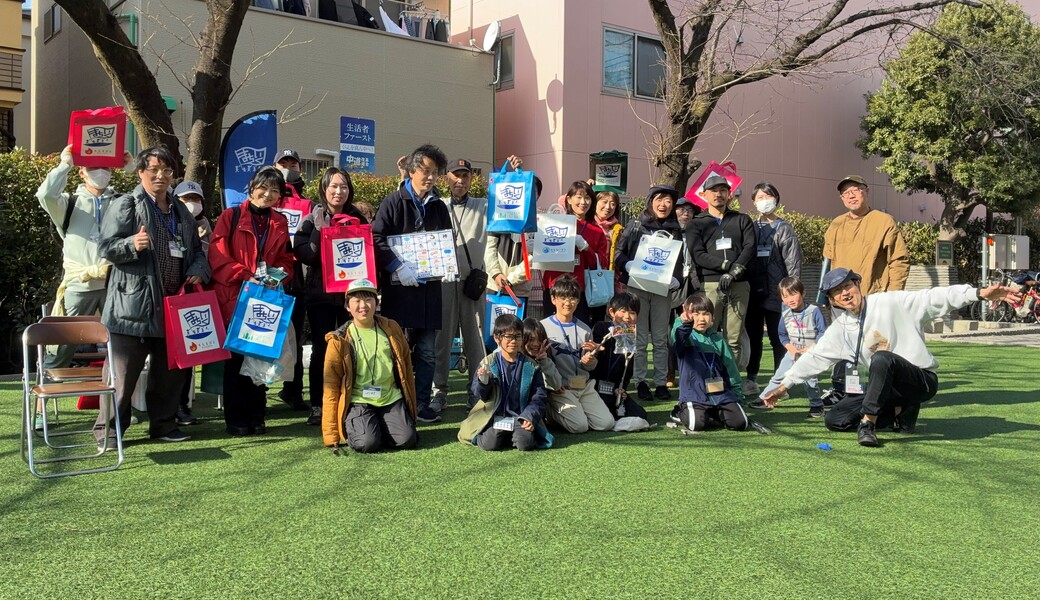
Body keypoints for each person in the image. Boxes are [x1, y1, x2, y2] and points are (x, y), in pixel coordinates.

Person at [760, 268, 1021, 446]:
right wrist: (784, 386)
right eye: (837, 292)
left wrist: (977, 293)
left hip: (919, 380)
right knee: (835, 420)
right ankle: (899, 412)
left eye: (848, 286)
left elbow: (934, 297)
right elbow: (815, 357)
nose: (845, 294)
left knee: (882, 358)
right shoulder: (841, 328)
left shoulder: (891, 302)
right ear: (832, 300)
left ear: (857, 284)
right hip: (884, 389)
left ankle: (869, 424)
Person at [94, 146, 211, 447]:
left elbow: (198, 250)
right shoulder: (126, 204)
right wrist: (132, 244)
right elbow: (105, 247)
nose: (161, 176)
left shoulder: (180, 210)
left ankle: (163, 425)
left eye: (167, 170)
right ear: (141, 172)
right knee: (122, 376)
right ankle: (109, 431)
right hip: (132, 306)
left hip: (174, 304)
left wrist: (199, 269)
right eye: (154, 170)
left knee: (169, 373)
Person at [208, 168, 295, 436]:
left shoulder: (279, 221)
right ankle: (236, 419)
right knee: (236, 360)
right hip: (236, 297)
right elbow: (218, 256)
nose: (267, 194)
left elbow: (287, 258)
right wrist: (247, 276)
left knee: (261, 356)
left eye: (274, 191)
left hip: (266, 297)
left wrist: (277, 276)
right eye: (263, 188)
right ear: (252, 186)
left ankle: (257, 415)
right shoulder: (230, 216)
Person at [371, 144, 452, 424]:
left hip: (430, 291)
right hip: (400, 292)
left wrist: (447, 266)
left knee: (427, 352)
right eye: (425, 171)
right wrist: (396, 266)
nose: (430, 177)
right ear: (412, 170)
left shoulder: (439, 206)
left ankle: (421, 404)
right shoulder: (393, 201)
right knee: (397, 350)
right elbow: (376, 238)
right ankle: (397, 403)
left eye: (435, 172)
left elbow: (446, 241)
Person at [294, 167, 368, 425]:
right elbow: (306, 254)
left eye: (344, 186)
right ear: (324, 189)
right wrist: (321, 230)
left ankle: (351, 401)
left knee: (353, 347)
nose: (339, 191)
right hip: (320, 296)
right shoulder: (311, 219)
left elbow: (369, 252)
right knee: (322, 350)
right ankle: (319, 404)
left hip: (351, 296)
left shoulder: (358, 217)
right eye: (334, 186)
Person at [35, 144, 120, 369]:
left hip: (114, 285)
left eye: (105, 167)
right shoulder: (68, 203)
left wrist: (133, 168)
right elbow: (45, 194)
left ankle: (120, 390)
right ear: (82, 172)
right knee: (62, 347)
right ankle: (48, 387)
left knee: (123, 346)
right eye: (93, 167)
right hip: (78, 285)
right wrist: (65, 165)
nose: (100, 172)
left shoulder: (121, 202)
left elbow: (152, 203)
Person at [321, 278, 418, 453]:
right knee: (367, 443)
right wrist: (331, 435)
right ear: (348, 306)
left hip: (390, 398)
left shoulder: (392, 328)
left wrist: (412, 412)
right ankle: (364, 426)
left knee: (407, 439)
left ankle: (380, 425)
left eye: (368, 299)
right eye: (356, 301)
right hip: (359, 400)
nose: (363, 306)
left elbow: (406, 371)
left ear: (376, 303)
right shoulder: (338, 340)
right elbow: (331, 387)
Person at [614, 185, 684, 402]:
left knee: (661, 338)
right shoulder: (636, 225)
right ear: (650, 201)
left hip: (662, 290)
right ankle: (641, 381)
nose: (663, 204)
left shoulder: (676, 229)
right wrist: (627, 265)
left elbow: (681, 262)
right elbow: (619, 253)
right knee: (640, 337)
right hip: (638, 287)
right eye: (659, 199)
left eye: (668, 201)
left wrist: (677, 279)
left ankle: (661, 382)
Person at [432, 158, 488, 412]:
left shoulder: (483, 205)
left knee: (476, 339)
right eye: (455, 175)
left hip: (472, 283)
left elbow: (512, 205)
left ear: (471, 179)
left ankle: (476, 391)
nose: (460, 180)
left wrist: (513, 174)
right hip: (443, 281)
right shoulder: (437, 205)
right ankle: (439, 392)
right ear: (446, 178)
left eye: (465, 176)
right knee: (441, 340)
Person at [687, 174, 756, 367]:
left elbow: (750, 247)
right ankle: (707, 376)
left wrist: (735, 271)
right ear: (704, 195)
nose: (718, 194)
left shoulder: (742, 219)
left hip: (739, 283)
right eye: (714, 191)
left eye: (723, 190)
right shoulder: (696, 223)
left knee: (734, 336)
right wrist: (727, 266)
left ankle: (731, 379)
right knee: (706, 331)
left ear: (729, 194)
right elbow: (698, 254)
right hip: (710, 283)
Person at [458, 314, 553, 451]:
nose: (513, 341)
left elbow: (539, 397)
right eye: (508, 337)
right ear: (497, 338)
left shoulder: (532, 366)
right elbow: (479, 395)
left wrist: (529, 417)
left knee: (525, 443)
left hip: (520, 418)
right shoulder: (488, 363)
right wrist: (484, 381)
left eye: (517, 336)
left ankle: (514, 435)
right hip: (494, 417)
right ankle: (502, 436)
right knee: (489, 444)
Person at [742, 182, 803, 396]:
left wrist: (791, 292)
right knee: (753, 337)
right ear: (753, 201)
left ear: (776, 200)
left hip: (778, 293)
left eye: (768, 196)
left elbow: (793, 263)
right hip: (753, 291)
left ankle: (781, 383)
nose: (764, 201)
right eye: (760, 197)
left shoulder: (785, 228)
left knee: (779, 339)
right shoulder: (750, 227)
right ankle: (750, 379)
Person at [539, 275, 614, 433]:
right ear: (553, 299)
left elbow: (590, 366)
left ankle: (576, 411)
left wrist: (590, 361)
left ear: (578, 301)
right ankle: (550, 412)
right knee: (579, 427)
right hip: (560, 389)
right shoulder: (542, 328)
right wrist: (551, 386)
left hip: (584, 387)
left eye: (572, 298)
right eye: (563, 297)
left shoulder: (585, 329)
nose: (568, 302)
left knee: (606, 424)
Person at [669, 293, 748, 432]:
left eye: (706, 314)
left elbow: (731, 370)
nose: (701, 319)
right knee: (697, 424)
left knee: (740, 423)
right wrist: (684, 324)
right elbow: (678, 337)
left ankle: (712, 412)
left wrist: (737, 397)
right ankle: (680, 410)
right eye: (696, 314)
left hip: (720, 394)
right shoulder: (684, 335)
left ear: (712, 317)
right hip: (694, 395)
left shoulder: (718, 340)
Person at [751, 277, 827, 417]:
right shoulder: (785, 314)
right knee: (778, 376)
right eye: (784, 296)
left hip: (810, 353)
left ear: (803, 293)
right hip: (792, 352)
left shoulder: (814, 311)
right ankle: (765, 398)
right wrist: (790, 348)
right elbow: (782, 334)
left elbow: (823, 332)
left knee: (810, 380)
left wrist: (812, 347)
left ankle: (817, 406)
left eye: (793, 294)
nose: (789, 300)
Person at [823, 176, 910, 296]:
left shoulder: (883, 221)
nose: (851, 196)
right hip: (841, 297)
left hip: (873, 297)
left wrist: (892, 295)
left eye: (855, 190)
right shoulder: (836, 224)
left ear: (866, 191)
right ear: (842, 198)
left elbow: (899, 260)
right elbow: (827, 263)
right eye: (846, 192)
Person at [172, 180, 214, 427]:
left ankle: (182, 406)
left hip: (195, 298)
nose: (192, 203)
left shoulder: (209, 229)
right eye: (186, 199)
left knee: (189, 353)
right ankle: (167, 406)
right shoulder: (170, 223)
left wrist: (201, 271)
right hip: (170, 295)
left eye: (196, 199)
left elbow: (211, 258)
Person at [540, 180, 609, 326]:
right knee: (551, 328)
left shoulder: (596, 231)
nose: (583, 202)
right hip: (553, 284)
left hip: (580, 290)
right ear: (569, 199)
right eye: (578, 197)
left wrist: (585, 247)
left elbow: (601, 263)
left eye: (587, 198)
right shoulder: (554, 222)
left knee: (579, 329)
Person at [485, 155, 540, 304]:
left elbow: (533, 258)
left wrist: (510, 280)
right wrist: (496, 274)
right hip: (494, 285)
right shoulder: (498, 216)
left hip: (520, 289)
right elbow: (489, 247)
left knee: (516, 320)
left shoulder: (539, 222)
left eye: (534, 192)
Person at [589, 292, 647, 421]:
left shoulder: (631, 335)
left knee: (640, 415)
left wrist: (621, 389)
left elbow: (628, 369)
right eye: (623, 311)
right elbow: (593, 364)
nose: (627, 317)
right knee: (606, 416)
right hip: (595, 387)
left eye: (632, 312)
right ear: (612, 312)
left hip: (614, 390)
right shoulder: (601, 327)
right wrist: (597, 349)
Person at [667, 195, 702, 387]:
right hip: (672, 283)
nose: (686, 213)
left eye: (689, 210)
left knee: (692, 327)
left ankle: (691, 370)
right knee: (670, 330)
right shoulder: (669, 232)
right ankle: (670, 371)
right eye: (681, 209)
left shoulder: (698, 231)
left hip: (694, 284)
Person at [591, 189, 624, 286]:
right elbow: (564, 201)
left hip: (606, 276)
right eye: (604, 202)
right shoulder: (586, 223)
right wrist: (588, 189)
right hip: (587, 273)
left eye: (613, 204)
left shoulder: (617, 229)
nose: (608, 207)